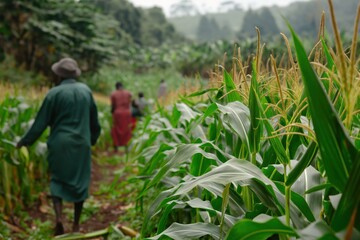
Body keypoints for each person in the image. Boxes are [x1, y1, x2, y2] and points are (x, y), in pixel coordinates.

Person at [16, 57, 101, 236]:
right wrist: (92, 140)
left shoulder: (53, 94)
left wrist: (24, 141)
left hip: (59, 144)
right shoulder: (86, 91)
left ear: (58, 75)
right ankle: (76, 225)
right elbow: (95, 123)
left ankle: (59, 218)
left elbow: (40, 124)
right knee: (80, 182)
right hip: (81, 143)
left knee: (57, 180)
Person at [110, 82, 132, 153]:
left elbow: (113, 106)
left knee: (116, 129)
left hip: (118, 113)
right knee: (127, 129)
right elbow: (130, 102)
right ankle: (126, 146)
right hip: (127, 113)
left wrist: (112, 112)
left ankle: (116, 147)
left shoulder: (114, 94)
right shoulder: (128, 93)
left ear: (116, 87)